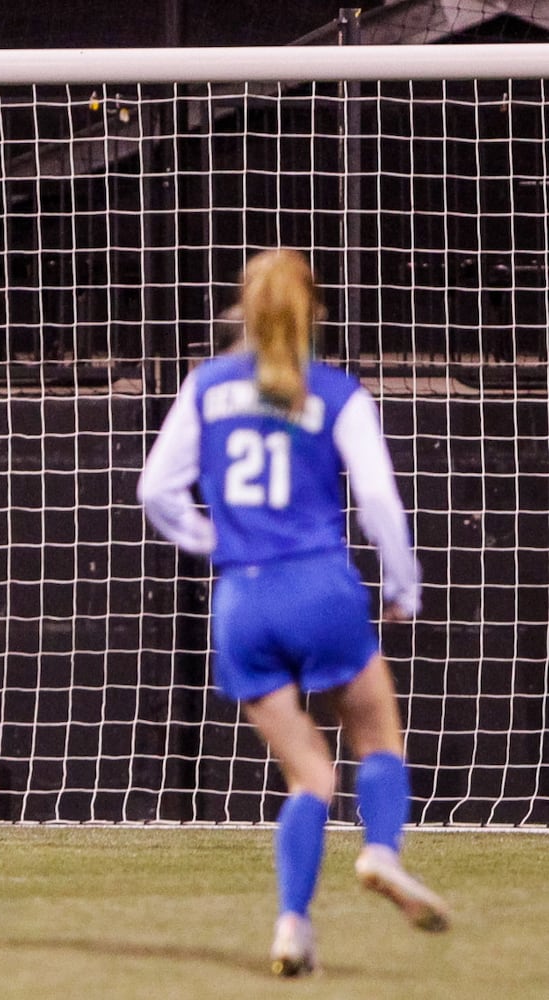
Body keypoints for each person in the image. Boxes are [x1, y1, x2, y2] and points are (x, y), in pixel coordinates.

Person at [137, 248, 450, 976]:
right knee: (375, 733)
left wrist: (213, 540)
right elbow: (375, 499)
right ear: (314, 311)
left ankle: (291, 929)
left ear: (242, 310)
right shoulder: (334, 391)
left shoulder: (206, 385)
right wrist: (402, 585)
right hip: (318, 588)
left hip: (241, 600)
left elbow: (155, 489)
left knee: (308, 776)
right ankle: (378, 850)